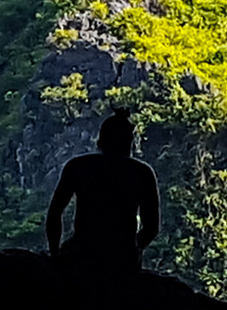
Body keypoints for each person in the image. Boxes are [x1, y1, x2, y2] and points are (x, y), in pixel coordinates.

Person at [44, 109, 160, 273]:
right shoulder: (141, 173)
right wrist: (132, 248)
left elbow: (55, 212)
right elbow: (151, 228)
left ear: (101, 140)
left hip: (82, 253)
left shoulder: (79, 167)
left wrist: (55, 254)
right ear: (129, 142)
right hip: (122, 260)